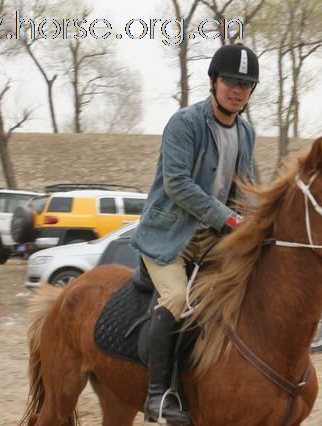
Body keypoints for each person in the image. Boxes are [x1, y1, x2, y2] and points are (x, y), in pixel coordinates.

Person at [131, 43, 259, 425]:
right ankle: (158, 396)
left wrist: (259, 221)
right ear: (214, 81)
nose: (238, 90)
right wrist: (231, 221)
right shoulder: (184, 123)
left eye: (246, 84)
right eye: (232, 81)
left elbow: (248, 186)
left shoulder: (247, 133)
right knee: (173, 298)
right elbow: (177, 184)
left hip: (214, 237)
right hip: (169, 236)